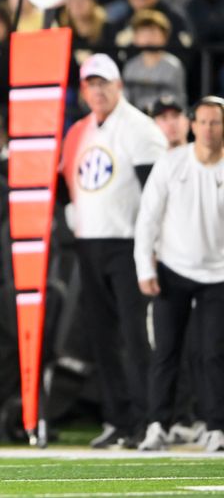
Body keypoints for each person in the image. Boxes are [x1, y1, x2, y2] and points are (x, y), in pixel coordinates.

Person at [61, 53, 168, 448]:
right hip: (90, 244)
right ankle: (118, 417)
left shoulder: (141, 129)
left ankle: (146, 420)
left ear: (119, 85)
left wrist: (155, 247)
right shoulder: (78, 131)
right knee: (101, 337)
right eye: (91, 84)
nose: (98, 90)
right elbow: (62, 185)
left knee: (136, 336)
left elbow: (158, 195)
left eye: (104, 83)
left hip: (129, 245)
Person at [133, 96, 224, 452]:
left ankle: (216, 425)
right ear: (192, 124)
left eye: (215, 122)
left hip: (218, 274)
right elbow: (148, 219)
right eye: (202, 122)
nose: (208, 129)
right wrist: (145, 265)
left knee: (213, 351)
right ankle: (158, 424)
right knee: (166, 350)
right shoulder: (171, 164)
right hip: (173, 269)